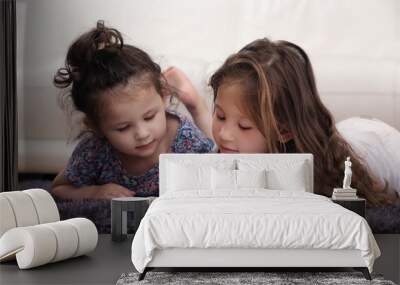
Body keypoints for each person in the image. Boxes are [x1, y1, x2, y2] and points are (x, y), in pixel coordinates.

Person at [167, 38, 399, 206]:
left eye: (245, 126)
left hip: (376, 140)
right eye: (220, 116)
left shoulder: (320, 177)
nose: (225, 134)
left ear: (284, 131)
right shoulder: (233, 147)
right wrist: (196, 106)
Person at [51, 21, 213, 200]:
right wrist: (93, 192)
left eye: (150, 117)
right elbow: (59, 189)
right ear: (96, 127)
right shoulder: (95, 150)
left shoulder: (186, 141)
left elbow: (218, 170)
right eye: (123, 128)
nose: (142, 134)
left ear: (164, 97)